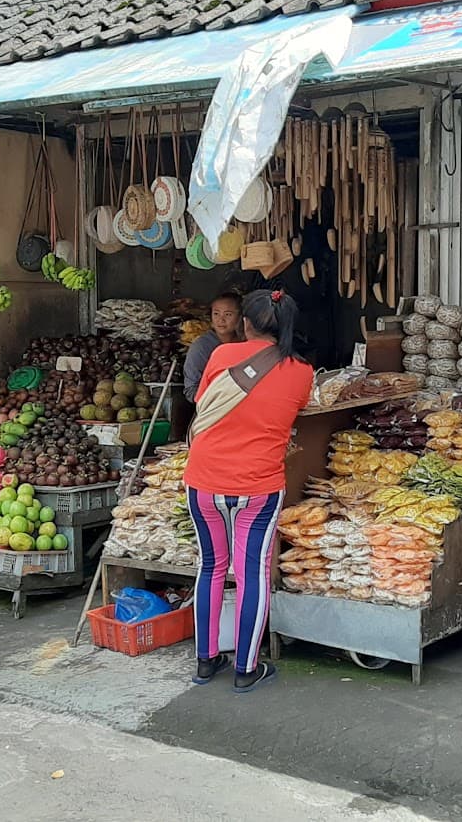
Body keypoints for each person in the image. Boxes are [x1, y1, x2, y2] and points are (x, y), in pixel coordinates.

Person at [183, 290, 313, 691]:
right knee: (252, 573)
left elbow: (205, 403)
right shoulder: (302, 372)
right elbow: (294, 413)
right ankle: (246, 668)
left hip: (204, 481)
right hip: (258, 486)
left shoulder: (221, 357)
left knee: (211, 567)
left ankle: (206, 661)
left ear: (245, 323)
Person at [183, 292, 244, 400]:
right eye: (216, 314)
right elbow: (191, 390)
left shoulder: (247, 343)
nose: (221, 320)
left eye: (228, 314)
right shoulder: (201, 347)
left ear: (240, 317)